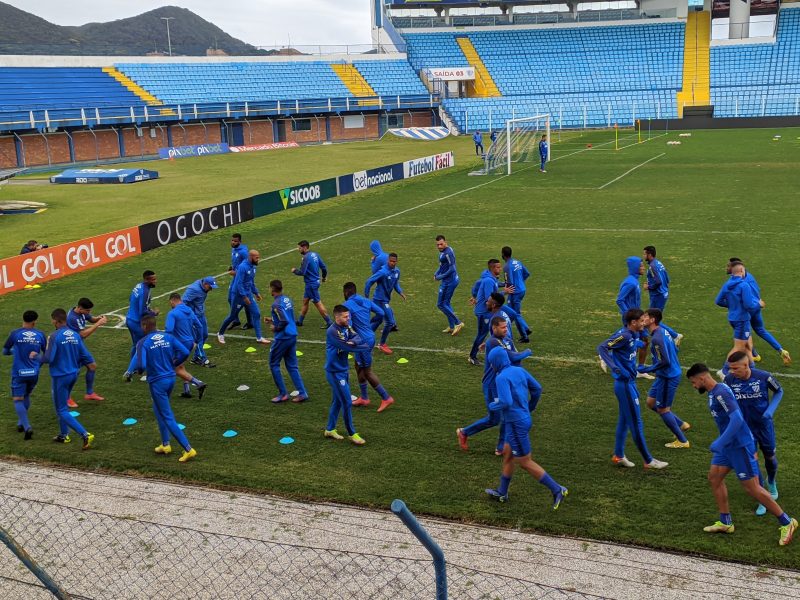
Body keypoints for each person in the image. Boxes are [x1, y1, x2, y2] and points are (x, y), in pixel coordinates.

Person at [686, 363, 796, 545]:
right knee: (714, 478)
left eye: (694, 382)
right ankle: (726, 522)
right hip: (728, 446)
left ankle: (787, 522)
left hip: (739, 446)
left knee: (752, 488)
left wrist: (720, 441)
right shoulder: (714, 392)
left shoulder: (721, 392)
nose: (694, 386)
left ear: (702, 378)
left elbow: (737, 419)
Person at [484, 347, 567, 509]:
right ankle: (502, 492)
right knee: (507, 454)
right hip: (520, 419)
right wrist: (530, 407)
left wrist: (493, 405)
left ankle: (557, 489)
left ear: (495, 363)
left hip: (515, 423)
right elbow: (537, 389)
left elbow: (506, 402)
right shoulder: (519, 370)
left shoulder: (500, 378)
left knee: (524, 461)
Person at [597, 308, 668, 470]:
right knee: (636, 423)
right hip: (624, 385)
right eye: (642, 320)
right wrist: (614, 367)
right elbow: (602, 347)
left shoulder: (633, 335)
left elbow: (631, 344)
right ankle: (648, 460)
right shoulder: (624, 335)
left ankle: (618, 455)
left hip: (630, 383)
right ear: (633, 322)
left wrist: (640, 342)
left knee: (624, 421)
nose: (645, 322)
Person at [457, 315, 532, 454]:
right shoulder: (493, 342)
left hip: (503, 382)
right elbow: (514, 356)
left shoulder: (504, 339)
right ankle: (464, 432)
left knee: (505, 413)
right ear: (494, 328)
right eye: (503, 327)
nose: (506, 330)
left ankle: (501, 446)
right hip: (492, 384)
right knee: (495, 418)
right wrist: (527, 351)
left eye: (506, 327)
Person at [128, 316, 197, 463]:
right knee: (157, 408)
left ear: (144, 326)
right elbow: (185, 352)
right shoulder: (168, 337)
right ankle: (165, 444)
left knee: (167, 416)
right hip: (170, 379)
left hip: (157, 382)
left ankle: (188, 449)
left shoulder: (142, 342)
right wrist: (175, 362)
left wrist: (138, 372)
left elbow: (141, 365)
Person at [724, 351, 783, 516]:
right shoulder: (729, 380)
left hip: (764, 426)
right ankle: (762, 498)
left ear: (746, 365)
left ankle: (771, 482)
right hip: (744, 429)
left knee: (770, 457)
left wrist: (770, 410)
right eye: (730, 368)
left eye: (735, 368)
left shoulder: (763, 377)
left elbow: (779, 391)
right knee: (753, 461)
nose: (731, 372)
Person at [34, 308, 96, 449]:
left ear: (56, 320)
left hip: (60, 376)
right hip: (73, 374)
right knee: (62, 405)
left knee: (61, 409)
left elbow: (48, 358)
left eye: (52, 320)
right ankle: (63, 435)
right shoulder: (75, 335)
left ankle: (85, 434)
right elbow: (84, 355)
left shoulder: (54, 336)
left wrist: (35, 356)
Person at [638, 309, 690, 448]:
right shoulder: (662, 331)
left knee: (663, 409)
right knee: (650, 403)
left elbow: (665, 361)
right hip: (663, 375)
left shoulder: (657, 338)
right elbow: (674, 349)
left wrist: (647, 369)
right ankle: (681, 424)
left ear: (653, 320)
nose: (643, 318)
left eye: (646, 317)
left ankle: (682, 441)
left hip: (668, 376)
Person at [728, 258, 791, 366]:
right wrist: (758, 303)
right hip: (757, 307)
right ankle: (781, 350)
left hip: (748, 309)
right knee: (760, 330)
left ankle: (753, 356)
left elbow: (744, 298)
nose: (727, 267)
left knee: (744, 334)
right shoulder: (750, 276)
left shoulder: (739, 282)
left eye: (729, 265)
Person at [343, 282, 395, 413]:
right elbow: (381, 313)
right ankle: (364, 398)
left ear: (345, 293)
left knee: (367, 371)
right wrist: (370, 324)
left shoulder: (346, 306)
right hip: (367, 337)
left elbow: (347, 325)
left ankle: (386, 397)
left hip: (362, 341)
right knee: (357, 365)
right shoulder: (365, 300)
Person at [323, 305, 370, 445]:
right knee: (347, 402)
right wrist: (366, 347)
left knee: (337, 401)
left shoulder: (347, 327)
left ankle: (330, 429)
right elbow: (346, 347)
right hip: (334, 372)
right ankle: (352, 433)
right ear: (337, 317)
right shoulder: (332, 331)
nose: (348, 318)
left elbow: (357, 337)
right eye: (345, 316)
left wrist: (353, 341)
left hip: (343, 370)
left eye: (348, 316)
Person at [2, 310, 47, 440]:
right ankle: (20, 423)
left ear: (23, 319)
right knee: (26, 395)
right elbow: (46, 355)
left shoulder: (15, 334)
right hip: (34, 373)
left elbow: (5, 351)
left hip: (19, 373)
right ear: (35, 322)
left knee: (17, 399)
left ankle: (27, 427)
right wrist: (38, 364)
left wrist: (14, 351)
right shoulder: (40, 335)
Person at [265, 280, 308, 404]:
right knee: (292, 366)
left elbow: (284, 320)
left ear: (272, 289)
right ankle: (302, 392)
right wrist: (272, 319)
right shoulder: (287, 300)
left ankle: (283, 394)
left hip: (282, 338)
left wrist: (275, 327)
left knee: (273, 364)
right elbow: (287, 316)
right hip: (292, 335)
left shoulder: (276, 304)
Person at [218, 249, 269, 345]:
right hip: (238, 295)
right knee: (232, 316)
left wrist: (256, 293)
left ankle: (259, 337)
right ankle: (220, 333)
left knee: (257, 313)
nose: (258, 259)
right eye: (256, 257)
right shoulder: (242, 267)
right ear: (250, 257)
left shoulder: (253, 267)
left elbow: (251, 281)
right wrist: (244, 297)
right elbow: (239, 283)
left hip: (248, 293)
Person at [614, 256, 653, 379]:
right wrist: (629, 315)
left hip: (637, 317)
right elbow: (620, 300)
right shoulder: (631, 283)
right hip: (633, 319)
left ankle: (640, 369)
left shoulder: (634, 281)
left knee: (643, 341)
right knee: (635, 342)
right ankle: (608, 355)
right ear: (635, 267)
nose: (643, 268)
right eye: (641, 266)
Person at [469, 259, 513, 365]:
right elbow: (491, 298)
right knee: (482, 334)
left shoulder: (491, 279)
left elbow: (495, 285)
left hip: (488, 310)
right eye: (498, 267)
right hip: (484, 311)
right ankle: (472, 356)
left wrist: (503, 284)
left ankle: (500, 349)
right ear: (492, 268)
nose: (500, 269)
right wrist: (504, 292)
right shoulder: (488, 281)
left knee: (510, 316)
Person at [715, 262, 759, 367]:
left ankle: (752, 368)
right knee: (739, 347)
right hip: (742, 319)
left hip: (732, 318)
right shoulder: (744, 285)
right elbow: (748, 305)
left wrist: (731, 305)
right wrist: (758, 304)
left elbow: (718, 301)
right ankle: (724, 370)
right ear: (741, 271)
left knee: (748, 346)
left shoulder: (727, 284)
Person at [165, 293, 208, 400]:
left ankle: (198, 383)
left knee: (173, 368)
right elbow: (199, 326)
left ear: (172, 301)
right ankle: (187, 390)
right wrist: (197, 341)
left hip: (178, 344)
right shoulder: (189, 311)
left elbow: (169, 330)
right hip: (189, 343)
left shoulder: (172, 313)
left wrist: (166, 343)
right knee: (180, 366)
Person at [66, 298, 107, 405]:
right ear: (79, 308)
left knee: (92, 366)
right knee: (74, 373)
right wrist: (98, 324)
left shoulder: (81, 312)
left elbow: (91, 319)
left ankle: (89, 393)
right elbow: (83, 334)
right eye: (87, 311)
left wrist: (98, 319)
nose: (89, 313)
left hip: (79, 345)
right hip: (72, 347)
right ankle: (66, 398)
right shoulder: (72, 318)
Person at [364, 252, 406, 355]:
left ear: (397, 261)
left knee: (378, 320)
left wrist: (400, 292)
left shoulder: (397, 271)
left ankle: (364, 338)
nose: (392, 263)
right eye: (391, 261)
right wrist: (366, 296)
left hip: (385, 300)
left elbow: (395, 283)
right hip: (379, 300)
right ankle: (382, 344)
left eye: (394, 261)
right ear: (388, 260)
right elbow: (369, 282)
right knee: (390, 322)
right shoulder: (382, 272)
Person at [643, 246, 682, 345]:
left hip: (658, 296)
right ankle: (672, 335)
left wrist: (649, 287)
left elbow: (658, 281)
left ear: (649, 255)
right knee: (653, 318)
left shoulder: (652, 266)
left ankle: (675, 335)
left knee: (652, 319)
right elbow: (667, 279)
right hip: (662, 294)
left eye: (644, 254)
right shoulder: (659, 263)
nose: (643, 256)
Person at [291, 240, 333, 329]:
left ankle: (329, 322)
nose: (299, 250)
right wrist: (324, 277)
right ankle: (300, 321)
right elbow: (324, 267)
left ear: (305, 247)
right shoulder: (315, 255)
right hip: (314, 283)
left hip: (311, 284)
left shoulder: (306, 258)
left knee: (318, 303)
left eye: (299, 248)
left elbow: (302, 272)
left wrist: (294, 271)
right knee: (305, 301)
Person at [181, 276, 218, 368]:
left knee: (204, 335)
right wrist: (189, 316)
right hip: (193, 317)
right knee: (198, 338)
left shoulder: (203, 287)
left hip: (200, 315)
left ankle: (195, 358)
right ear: (205, 284)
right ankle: (202, 358)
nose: (211, 290)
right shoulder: (193, 289)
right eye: (210, 287)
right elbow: (183, 302)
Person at [124, 270, 159, 365]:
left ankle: (133, 367)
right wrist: (154, 313)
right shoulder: (145, 292)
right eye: (153, 279)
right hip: (136, 323)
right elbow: (142, 312)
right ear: (147, 280)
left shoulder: (138, 286)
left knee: (136, 344)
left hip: (129, 319)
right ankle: (142, 367)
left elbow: (130, 299)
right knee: (145, 344)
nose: (155, 281)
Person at [501, 246, 532, 343]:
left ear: (503, 254)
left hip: (514, 292)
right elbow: (527, 273)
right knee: (513, 314)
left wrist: (503, 288)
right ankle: (524, 336)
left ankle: (526, 329)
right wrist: (521, 283)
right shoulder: (517, 262)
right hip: (522, 290)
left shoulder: (506, 266)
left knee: (514, 314)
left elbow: (509, 282)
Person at [434, 235, 463, 336]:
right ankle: (451, 327)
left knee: (441, 304)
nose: (439, 246)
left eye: (441, 244)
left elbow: (452, 269)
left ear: (446, 242)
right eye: (437, 244)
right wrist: (436, 273)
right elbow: (442, 266)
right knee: (446, 303)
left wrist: (440, 276)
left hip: (450, 281)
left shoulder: (448, 253)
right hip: (446, 280)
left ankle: (458, 323)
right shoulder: (443, 252)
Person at [226, 233, 253, 330]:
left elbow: (248, 267)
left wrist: (236, 272)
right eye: (232, 240)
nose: (233, 242)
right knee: (230, 299)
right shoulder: (234, 249)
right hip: (235, 279)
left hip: (242, 280)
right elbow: (237, 263)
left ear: (240, 242)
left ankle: (250, 322)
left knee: (245, 300)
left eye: (235, 241)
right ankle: (236, 320)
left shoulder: (244, 252)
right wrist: (232, 267)